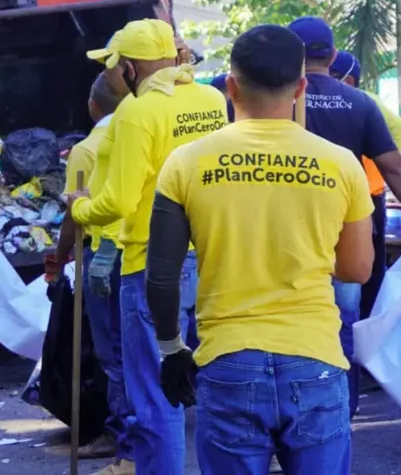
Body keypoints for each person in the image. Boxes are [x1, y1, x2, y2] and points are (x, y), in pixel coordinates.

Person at [145, 24, 374, 475]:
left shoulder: (187, 163)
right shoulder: (341, 164)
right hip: (316, 363)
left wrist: (172, 349)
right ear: (301, 86)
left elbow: (162, 276)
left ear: (230, 87)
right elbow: (357, 269)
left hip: (228, 363)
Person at [69, 18, 228, 475]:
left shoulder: (137, 113)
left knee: (156, 393)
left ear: (132, 68)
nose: (112, 75)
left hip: (150, 265)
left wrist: (79, 209)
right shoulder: (211, 99)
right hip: (212, 257)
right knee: (210, 380)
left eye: (115, 66)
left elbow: (118, 200)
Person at [287, 16, 401, 417]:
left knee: (290, 323)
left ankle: (294, 416)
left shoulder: (276, 102)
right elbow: (395, 168)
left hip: (287, 234)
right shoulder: (359, 103)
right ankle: (342, 411)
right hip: (346, 234)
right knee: (344, 322)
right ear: (333, 55)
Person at [45, 73, 134, 465]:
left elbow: (74, 213)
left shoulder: (87, 149)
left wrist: (62, 253)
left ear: (92, 105)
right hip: (144, 251)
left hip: (103, 254)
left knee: (111, 350)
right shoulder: (142, 132)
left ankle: (120, 433)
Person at [329, 51, 401, 320]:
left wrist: (374, 159)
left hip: (364, 196)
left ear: (349, 80)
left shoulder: (364, 101)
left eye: (332, 76)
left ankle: (362, 325)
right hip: (357, 193)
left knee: (362, 269)